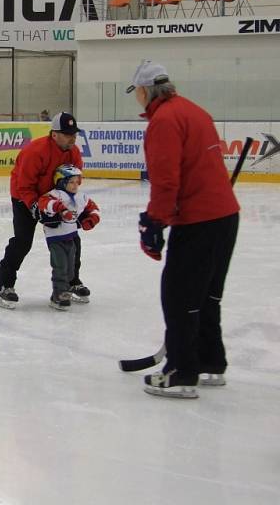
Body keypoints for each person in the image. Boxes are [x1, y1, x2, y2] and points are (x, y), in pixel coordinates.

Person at [128, 61, 240, 399]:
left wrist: (154, 222)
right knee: (207, 296)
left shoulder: (163, 121)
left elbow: (166, 181)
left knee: (179, 295)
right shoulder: (194, 111)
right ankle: (210, 361)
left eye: (137, 93)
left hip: (199, 220)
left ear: (146, 91)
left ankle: (181, 372)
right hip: (225, 216)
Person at [0, 112, 86, 309]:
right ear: (54, 134)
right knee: (22, 242)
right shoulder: (35, 151)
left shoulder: (74, 152)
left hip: (55, 198)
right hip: (24, 197)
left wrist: (72, 204)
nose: (73, 137)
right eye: (67, 133)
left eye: (74, 133)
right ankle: (4, 285)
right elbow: (24, 185)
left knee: (71, 238)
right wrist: (35, 207)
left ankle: (71, 282)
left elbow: (75, 181)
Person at [37, 165, 100, 311]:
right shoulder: (55, 194)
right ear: (61, 182)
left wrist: (92, 219)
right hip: (55, 238)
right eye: (71, 182)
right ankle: (58, 295)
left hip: (71, 237)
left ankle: (67, 289)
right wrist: (60, 208)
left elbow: (94, 208)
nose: (75, 185)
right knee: (60, 266)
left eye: (77, 182)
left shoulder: (81, 197)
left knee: (71, 268)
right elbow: (43, 202)